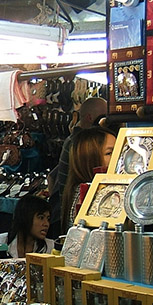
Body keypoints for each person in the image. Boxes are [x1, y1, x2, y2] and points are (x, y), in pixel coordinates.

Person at [47, 97, 108, 238]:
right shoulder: (78, 144)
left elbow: (52, 177)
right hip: (70, 216)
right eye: (108, 153)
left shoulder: (74, 141)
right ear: (90, 118)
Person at [60, 127, 116, 233]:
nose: (118, 157)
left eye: (120, 150)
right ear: (90, 158)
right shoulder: (85, 193)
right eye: (109, 153)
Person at [0, 194, 53, 258]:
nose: (46, 224)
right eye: (41, 218)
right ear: (25, 217)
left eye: (48, 219)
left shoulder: (51, 248)